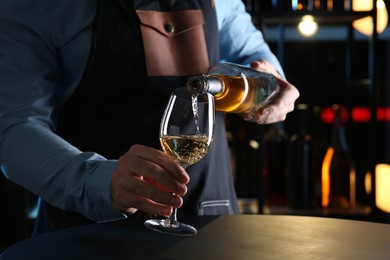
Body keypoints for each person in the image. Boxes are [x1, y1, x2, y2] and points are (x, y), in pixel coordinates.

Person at [0, 0, 299, 232]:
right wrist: (99, 183)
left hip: (214, 229)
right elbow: (14, 128)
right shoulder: (39, 5)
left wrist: (273, 91)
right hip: (89, 239)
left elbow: (260, 64)